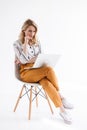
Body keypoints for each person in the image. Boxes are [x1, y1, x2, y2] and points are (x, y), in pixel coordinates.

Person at [13, 19, 73, 124]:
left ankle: (62, 110)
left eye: (34, 31)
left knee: (46, 83)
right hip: (25, 73)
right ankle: (61, 96)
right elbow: (23, 60)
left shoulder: (37, 42)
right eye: (30, 31)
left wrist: (28, 60)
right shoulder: (16, 44)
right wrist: (26, 44)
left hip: (37, 69)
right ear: (24, 31)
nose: (32, 33)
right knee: (48, 69)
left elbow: (41, 57)